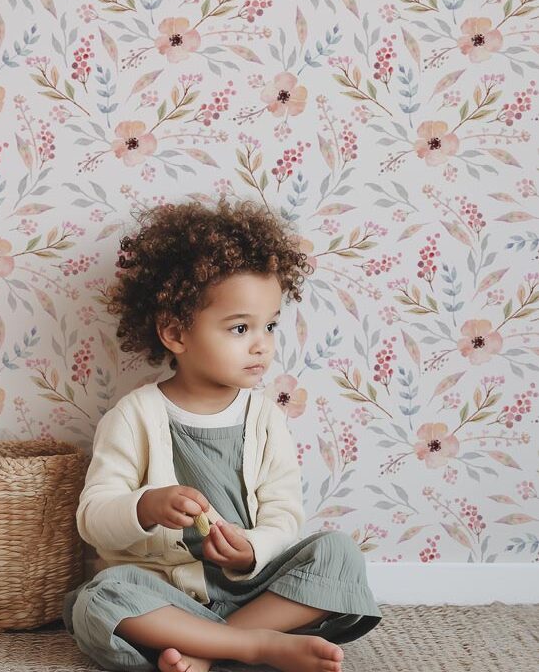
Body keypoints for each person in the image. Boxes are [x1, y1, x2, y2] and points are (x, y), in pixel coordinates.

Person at [62, 197, 382, 672]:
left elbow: (283, 515)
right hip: (166, 594)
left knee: (338, 555)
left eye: (269, 325)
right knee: (99, 598)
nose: (262, 345)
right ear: (175, 333)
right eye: (239, 328)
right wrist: (146, 506)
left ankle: (208, 647)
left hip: (251, 591)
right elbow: (93, 519)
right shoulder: (133, 416)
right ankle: (253, 646)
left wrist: (253, 549)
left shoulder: (265, 418)